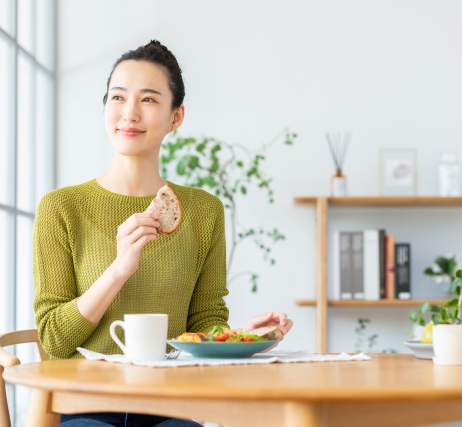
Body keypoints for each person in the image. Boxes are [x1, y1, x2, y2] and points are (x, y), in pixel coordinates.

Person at [33, 40, 294, 427]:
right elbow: (54, 338)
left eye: (149, 100)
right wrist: (120, 268)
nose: (129, 113)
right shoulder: (60, 208)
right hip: (85, 404)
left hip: (173, 405)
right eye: (118, 97)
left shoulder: (204, 211)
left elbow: (204, 319)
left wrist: (237, 337)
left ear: (176, 117)